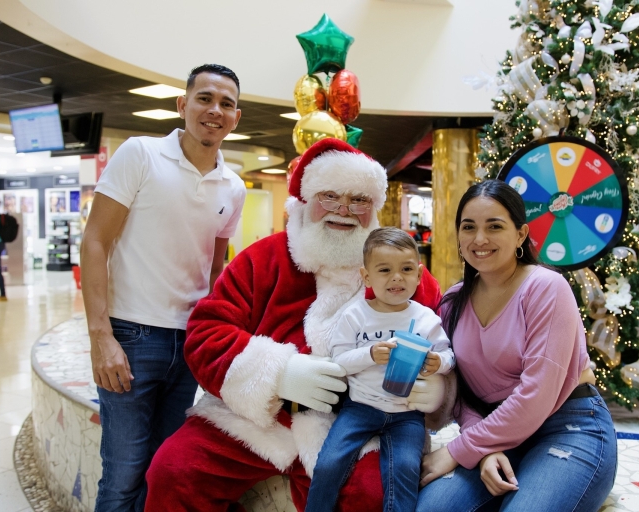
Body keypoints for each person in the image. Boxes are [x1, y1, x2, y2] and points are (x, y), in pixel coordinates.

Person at [145, 139, 450, 512]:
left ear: (373, 208)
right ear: (307, 198)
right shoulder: (263, 259)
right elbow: (207, 331)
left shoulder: (397, 271)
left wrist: (436, 387)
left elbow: (440, 338)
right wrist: (278, 374)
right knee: (175, 471)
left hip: (359, 422)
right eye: (330, 196)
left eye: (359, 199)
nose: (344, 209)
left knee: (368, 494)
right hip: (256, 420)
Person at [80, 63, 246, 511]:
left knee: (164, 471)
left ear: (236, 117)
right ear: (183, 104)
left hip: (191, 341)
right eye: (205, 98)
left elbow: (216, 267)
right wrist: (101, 338)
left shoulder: (233, 186)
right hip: (132, 336)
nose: (215, 110)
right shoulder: (140, 154)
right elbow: (95, 241)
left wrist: (220, 340)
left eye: (226, 104)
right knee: (123, 474)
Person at [417, 180, 617, 512]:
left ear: (521, 235)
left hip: (567, 424)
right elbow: (460, 389)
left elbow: (536, 396)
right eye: (469, 227)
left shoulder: (545, 287)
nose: (480, 239)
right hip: (493, 429)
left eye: (494, 226)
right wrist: (483, 448)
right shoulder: (452, 302)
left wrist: (458, 450)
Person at [306, 227, 454, 512]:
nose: (397, 277)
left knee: (405, 469)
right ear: (367, 277)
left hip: (407, 413)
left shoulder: (425, 319)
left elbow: (448, 354)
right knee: (328, 463)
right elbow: (339, 361)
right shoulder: (356, 314)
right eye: (384, 270)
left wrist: (440, 363)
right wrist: (371, 354)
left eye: (406, 269)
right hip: (360, 407)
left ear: (419, 275)